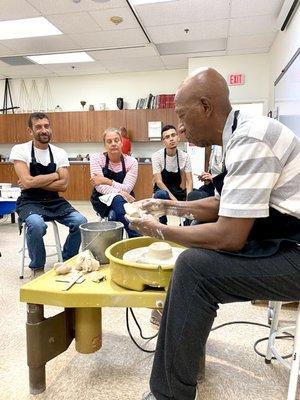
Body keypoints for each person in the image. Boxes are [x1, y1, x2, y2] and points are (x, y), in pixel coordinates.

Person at [127, 68, 300, 400]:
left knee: (195, 268)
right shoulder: (240, 133)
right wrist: (167, 209)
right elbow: (224, 205)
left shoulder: (251, 139)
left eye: (182, 115)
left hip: (296, 253)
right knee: (193, 259)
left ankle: (169, 394)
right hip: (285, 240)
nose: (179, 127)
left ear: (205, 106)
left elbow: (229, 236)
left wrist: (159, 232)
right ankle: (178, 369)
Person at [10, 112, 87, 278]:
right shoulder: (19, 150)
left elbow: (64, 185)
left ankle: (67, 258)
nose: (43, 130)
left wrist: (33, 181)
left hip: (54, 201)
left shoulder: (59, 153)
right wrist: (55, 175)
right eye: (38, 127)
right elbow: (27, 182)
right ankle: (37, 267)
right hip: (29, 201)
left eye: (46, 126)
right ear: (30, 131)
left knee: (81, 222)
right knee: (37, 225)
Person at [90, 127, 139, 238]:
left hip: (125, 200)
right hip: (101, 200)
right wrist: (122, 193)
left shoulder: (132, 162)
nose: (113, 144)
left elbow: (127, 188)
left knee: (115, 214)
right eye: (109, 141)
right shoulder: (96, 159)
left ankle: (116, 246)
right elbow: (100, 187)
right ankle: (135, 236)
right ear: (105, 145)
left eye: (116, 140)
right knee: (117, 199)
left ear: (122, 143)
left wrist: (106, 181)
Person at [151, 124, 193, 224]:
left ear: (178, 137)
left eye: (173, 135)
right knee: (161, 194)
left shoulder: (185, 156)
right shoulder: (156, 156)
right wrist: (174, 200)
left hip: (176, 190)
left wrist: (188, 202)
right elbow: (159, 182)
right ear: (163, 141)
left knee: (196, 195)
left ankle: (187, 224)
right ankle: (163, 224)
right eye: (167, 137)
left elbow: (189, 181)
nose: (171, 139)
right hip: (162, 190)